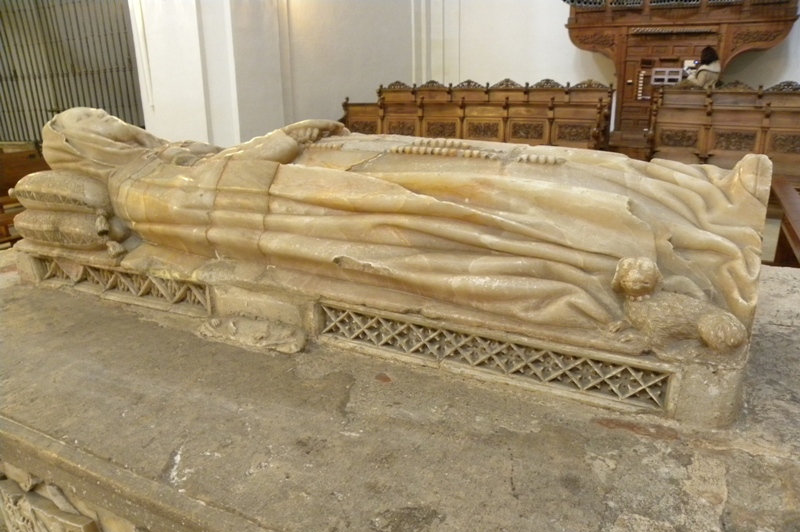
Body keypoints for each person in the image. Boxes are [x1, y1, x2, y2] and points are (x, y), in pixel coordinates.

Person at [35, 107, 766, 350]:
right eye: (89, 124)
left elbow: (215, 167)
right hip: (319, 203)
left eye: (103, 113)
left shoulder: (170, 150)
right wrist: (285, 137)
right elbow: (220, 198)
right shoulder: (133, 190)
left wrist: (295, 140)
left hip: (330, 168)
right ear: (81, 151)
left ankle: (703, 200)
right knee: (494, 196)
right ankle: (655, 279)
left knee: (511, 158)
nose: (109, 120)